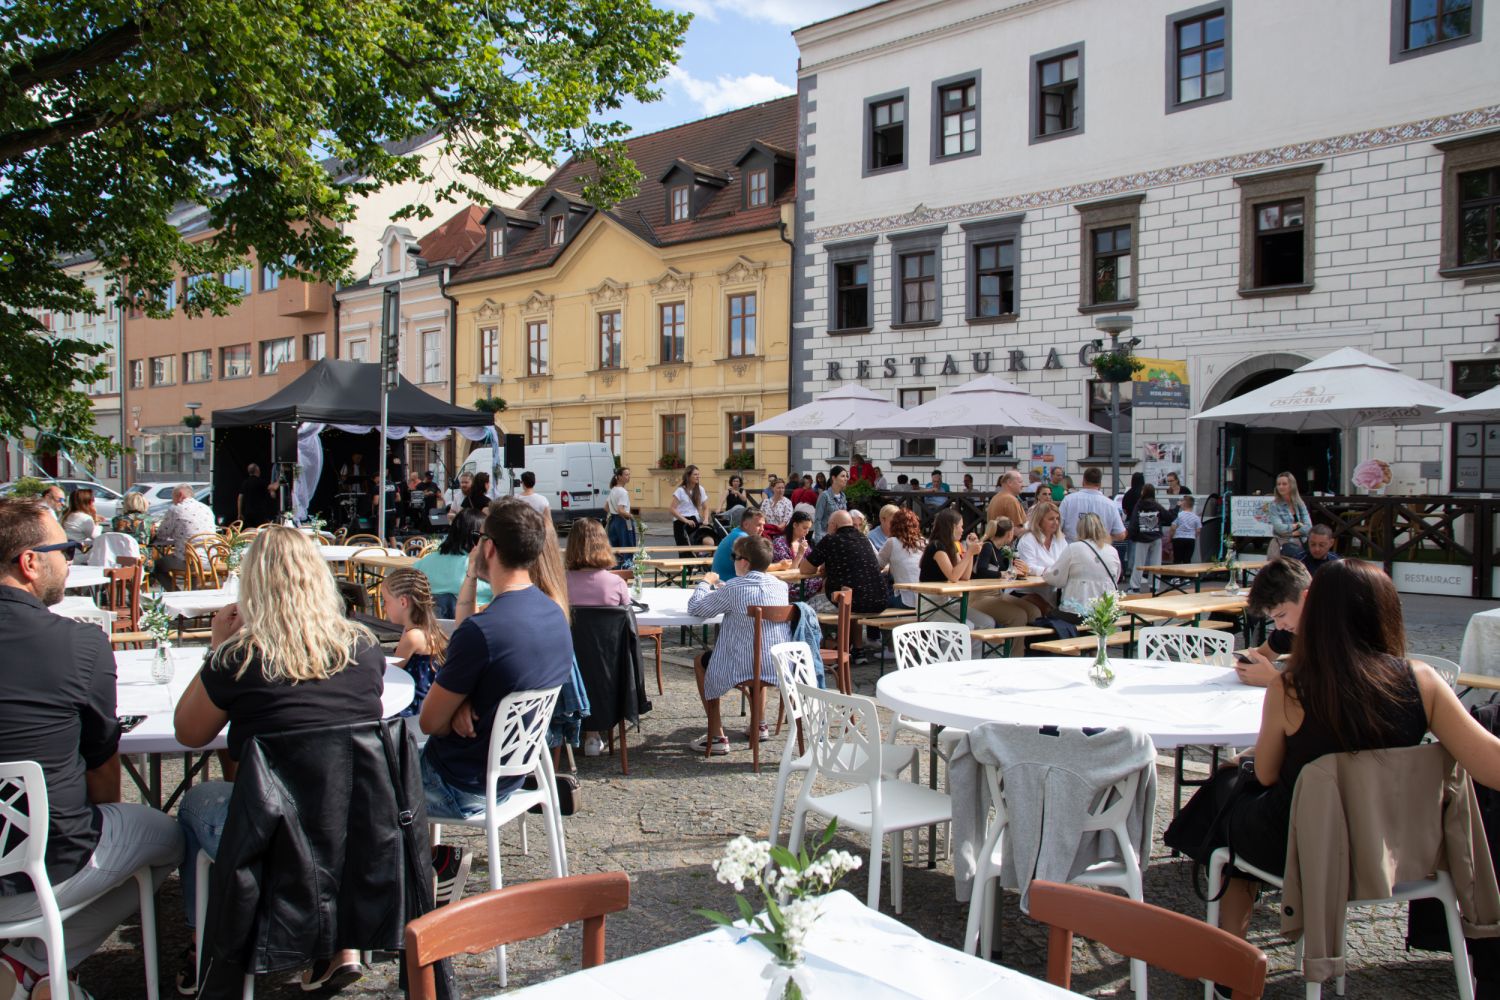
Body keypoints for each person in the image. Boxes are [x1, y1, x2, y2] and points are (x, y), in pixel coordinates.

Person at [1209, 560, 1500, 946]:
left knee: (1229, 804)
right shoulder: (1422, 681)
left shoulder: (1291, 687)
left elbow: (1265, 774)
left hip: (1308, 846)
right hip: (1397, 846)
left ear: (1318, 613)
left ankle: (1232, 956)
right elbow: (1489, 763)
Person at [172, 527, 385, 993]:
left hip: (270, 835)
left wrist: (215, 649)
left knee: (193, 803)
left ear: (253, 584)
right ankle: (340, 943)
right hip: (353, 829)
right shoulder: (364, 648)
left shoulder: (240, 659)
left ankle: (204, 940)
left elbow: (188, 733)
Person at [0, 498, 183, 1000]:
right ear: (30, 562)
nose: (71, 559)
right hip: (43, 868)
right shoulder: (80, 645)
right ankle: (35, 964)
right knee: (171, 836)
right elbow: (101, 767)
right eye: (65, 550)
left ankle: (27, 966)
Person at [419, 499, 575, 821]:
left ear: (488, 548)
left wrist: (455, 706)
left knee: (370, 775)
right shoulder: (554, 614)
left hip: (457, 786)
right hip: (509, 778)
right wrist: (461, 701)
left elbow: (429, 722)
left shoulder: (484, 631)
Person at [687, 534, 790, 754]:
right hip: (776, 665)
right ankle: (759, 724)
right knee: (758, 654)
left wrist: (705, 583)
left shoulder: (734, 588)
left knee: (701, 661)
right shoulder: (781, 587)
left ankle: (716, 735)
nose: (733, 560)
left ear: (744, 562)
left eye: (734, 557)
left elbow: (696, 608)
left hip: (742, 665)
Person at [1234, 557, 1312, 688]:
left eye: (1281, 615)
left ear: (1306, 597)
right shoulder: (1293, 626)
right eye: (1273, 618)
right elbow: (1261, 656)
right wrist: (1248, 666)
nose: (1279, 626)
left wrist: (1277, 680)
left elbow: (1338, 690)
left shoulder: (1338, 625)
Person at [382, 567, 447, 720]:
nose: (384, 608)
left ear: (403, 602)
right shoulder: (430, 628)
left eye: (386, 601)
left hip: (412, 710)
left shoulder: (413, 636)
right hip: (428, 704)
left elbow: (391, 672)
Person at [917, 508, 996, 629]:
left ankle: (969, 643)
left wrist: (969, 552)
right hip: (930, 605)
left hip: (947, 602)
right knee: (967, 627)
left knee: (988, 622)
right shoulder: (936, 546)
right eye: (961, 526)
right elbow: (953, 576)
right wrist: (969, 553)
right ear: (953, 527)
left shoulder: (951, 546)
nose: (963, 530)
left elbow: (965, 576)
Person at [801, 509, 888, 615]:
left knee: (804, 609)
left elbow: (805, 569)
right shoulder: (864, 539)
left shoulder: (831, 539)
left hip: (850, 603)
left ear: (833, 525)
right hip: (879, 602)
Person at [413, 510, 494, 617]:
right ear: (478, 537)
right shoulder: (484, 568)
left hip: (430, 621)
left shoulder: (423, 563)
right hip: (475, 621)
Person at [1043, 512, 1122, 617]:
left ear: (1080, 529)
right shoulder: (1112, 551)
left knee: (1047, 615)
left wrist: (1044, 571)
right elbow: (1116, 577)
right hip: (1107, 612)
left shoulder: (1074, 548)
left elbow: (1055, 579)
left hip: (1077, 611)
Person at [971, 517, 1036, 628]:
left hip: (998, 594)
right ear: (1009, 534)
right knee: (1019, 616)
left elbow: (1012, 571)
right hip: (980, 596)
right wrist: (1002, 574)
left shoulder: (1003, 549)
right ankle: (1014, 640)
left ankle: (1029, 640)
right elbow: (981, 571)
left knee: (1034, 612)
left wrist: (1025, 570)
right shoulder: (987, 546)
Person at [153, 483, 217, 589]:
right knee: (190, 556)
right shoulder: (206, 508)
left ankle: (175, 593)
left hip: (188, 560)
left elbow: (162, 534)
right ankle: (193, 592)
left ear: (180, 495)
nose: (172, 500)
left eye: (173, 497)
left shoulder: (176, 509)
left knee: (156, 566)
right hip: (211, 558)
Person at [563, 518, 630, 607]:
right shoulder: (617, 583)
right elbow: (628, 612)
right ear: (604, 545)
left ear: (571, 546)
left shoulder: (560, 583)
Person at [1059, 467, 1126, 544]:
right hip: (1100, 548)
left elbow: (1057, 526)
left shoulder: (1068, 500)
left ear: (1083, 481)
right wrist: (1103, 538)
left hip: (1073, 547)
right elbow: (1120, 535)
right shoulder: (1110, 505)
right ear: (1100, 484)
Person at [877, 508, 926, 610]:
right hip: (925, 600)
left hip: (905, 601)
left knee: (875, 601)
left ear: (894, 525)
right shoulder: (924, 542)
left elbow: (876, 567)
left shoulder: (892, 542)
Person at [770, 511, 820, 598]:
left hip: (803, 580)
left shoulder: (802, 543)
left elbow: (811, 563)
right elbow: (789, 573)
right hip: (788, 584)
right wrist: (800, 554)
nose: (807, 532)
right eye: (804, 528)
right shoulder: (779, 543)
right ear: (795, 525)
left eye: (808, 528)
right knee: (823, 583)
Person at [1127, 483, 1167, 592]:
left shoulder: (1139, 505)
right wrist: (1176, 508)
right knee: (1156, 564)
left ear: (1143, 492)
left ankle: (1135, 587)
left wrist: (1131, 535)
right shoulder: (1156, 505)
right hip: (1156, 537)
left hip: (1142, 538)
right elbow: (1167, 516)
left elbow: (1134, 522)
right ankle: (1154, 587)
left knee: (1139, 563)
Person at [1268, 470, 1312, 559]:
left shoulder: (1300, 503)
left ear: (1292, 486)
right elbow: (1280, 528)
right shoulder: (1274, 505)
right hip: (1280, 546)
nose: (1281, 486)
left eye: (1284, 484)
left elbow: (1309, 526)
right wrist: (1297, 525)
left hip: (1300, 545)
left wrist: (1292, 533)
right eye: (1278, 484)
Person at [712, 509, 764, 581]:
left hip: (722, 582)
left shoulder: (737, 533)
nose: (762, 529)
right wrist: (779, 565)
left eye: (763, 525)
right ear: (746, 525)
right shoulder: (742, 538)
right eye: (758, 525)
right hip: (727, 584)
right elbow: (758, 568)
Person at [111, 490, 156, 575]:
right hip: (141, 557)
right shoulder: (149, 520)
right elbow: (152, 538)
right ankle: (148, 580)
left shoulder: (116, 520)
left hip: (120, 557)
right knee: (157, 562)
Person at [671, 465, 710, 547]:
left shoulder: (700, 489)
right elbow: (672, 509)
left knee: (702, 544)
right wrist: (686, 521)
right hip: (681, 523)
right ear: (688, 476)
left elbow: (705, 508)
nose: (698, 476)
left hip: (694, 521)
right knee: (684, 550)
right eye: (695, 474)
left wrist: (706, 519)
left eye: (698, 474)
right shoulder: (680, 491)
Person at [60, 487, 100, 561]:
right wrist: (95, 518)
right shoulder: (85, 518)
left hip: (62, 553)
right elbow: (97, 538)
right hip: (77, 556)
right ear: (89, 502)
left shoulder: (64, 515)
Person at [237, 463, 279, 528]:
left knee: (251, 530)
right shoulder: (260, 482)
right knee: (261, 529)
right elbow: (273, 488)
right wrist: (280, 479)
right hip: (259, 513)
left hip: (248, 513)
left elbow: (240, 498)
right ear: (257, 470)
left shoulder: (245, 483)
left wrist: (239, 513)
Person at [604, 467, 636, 551]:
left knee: (615, 548)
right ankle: (627, 560)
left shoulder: (613, 490)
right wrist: (630, 516)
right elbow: (620, 510)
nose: (629, 476)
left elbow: (606, 507)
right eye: (626, 475)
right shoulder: (623, 492)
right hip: (624, 521)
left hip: (613, 522)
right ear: (619, 477)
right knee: (627, 547)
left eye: (629, 474)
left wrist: (614, 513)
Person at [813, 465, 849, 540]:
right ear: (834, 478)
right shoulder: (824, 495)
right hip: (825, 536)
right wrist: (818, 540)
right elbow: (817, 520)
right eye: (843, 476)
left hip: (838, 537)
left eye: (846, 476)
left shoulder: (843, 496)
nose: (846, 479)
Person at [1169, 493, 1202, 564]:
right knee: (1187, 560)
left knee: (1177, 560)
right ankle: (1186, 571)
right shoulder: (1196, 517)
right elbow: (1198, 531)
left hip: (1178, 538)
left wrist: (1170, 537)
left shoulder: (1178, 515)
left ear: (1184, 504)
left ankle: (1176, 571)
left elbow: (1173, 528)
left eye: (1182, 501)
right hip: (1190, 539)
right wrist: (1193, 536)